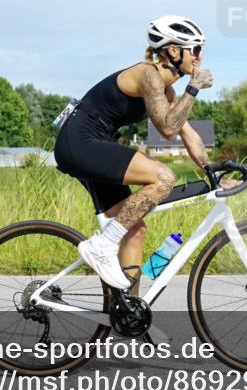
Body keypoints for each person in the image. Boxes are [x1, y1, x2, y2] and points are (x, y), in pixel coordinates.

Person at [53, 15, 234, 291]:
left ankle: (127, 316)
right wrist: (194, 88)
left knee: (135, 230)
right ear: (174, 51)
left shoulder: (167, 91)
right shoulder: (148, 74)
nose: (199, 57)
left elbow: (187, 135)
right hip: (79, 142)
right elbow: (167, 129)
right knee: (163, 177)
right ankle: (101, 245)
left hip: (94, 144)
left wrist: (215, 172)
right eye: (195, 49)